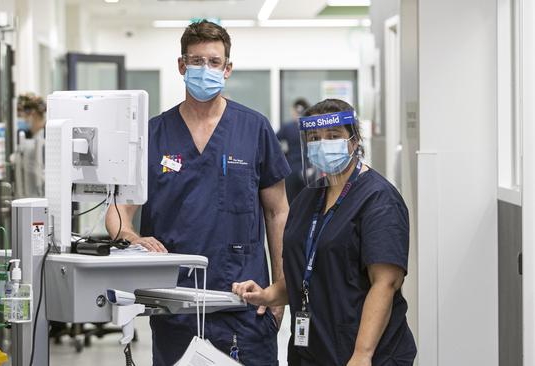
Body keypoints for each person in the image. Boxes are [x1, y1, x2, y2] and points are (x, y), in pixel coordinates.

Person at [105, 20, 290, 366]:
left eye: (214, 62)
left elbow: (278, 212)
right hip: (175, 302)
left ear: (228, 69)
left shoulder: (254, 128)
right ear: (181, 66)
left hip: (244, 298)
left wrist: (280, 288)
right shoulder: (153, 135)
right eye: (197, 61)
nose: (206, 69)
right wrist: (131, 237)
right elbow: (116, 212)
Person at [233, 99, 417, 366]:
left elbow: (385, 283)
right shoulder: (308, 198)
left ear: (354, 141)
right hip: (312, 349)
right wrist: (268, 294)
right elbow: (306, 273)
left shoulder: (378, 199)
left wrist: (362, 354)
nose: (323, 144)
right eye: (315, 138)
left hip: (365, 352)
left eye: (333, 136)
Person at [11, 93, 46, 198]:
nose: (21, 120)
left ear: (32, 114)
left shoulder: (45, 139)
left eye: (21, 116)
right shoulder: (32, 137)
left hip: (42, 197)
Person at [277, 98, 310, 203]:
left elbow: (273, 140)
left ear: (294, 111)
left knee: (291, 201)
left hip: (291, 169)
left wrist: (283, 153)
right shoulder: (310, 127)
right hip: (308, 169)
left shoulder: (288, 127)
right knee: (307, 201)